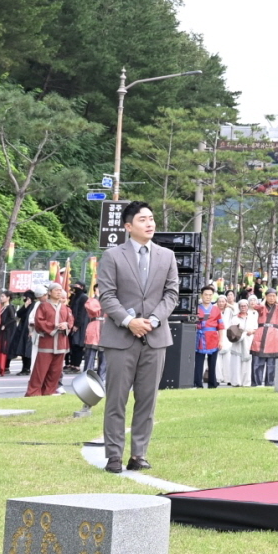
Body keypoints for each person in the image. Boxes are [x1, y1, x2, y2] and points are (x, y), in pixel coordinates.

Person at [97, 200, 180, 473]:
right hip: (120, 338)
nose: (150, 223)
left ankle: (138, 455)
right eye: (143, 219)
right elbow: (107, 295)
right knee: (116, 400)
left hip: (155, 338)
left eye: (151, 218)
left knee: (147, 400)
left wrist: (153, 320)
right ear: (128, 226)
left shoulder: (167, 256)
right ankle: (114, 456)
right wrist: (129, 321)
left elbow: (171, 294)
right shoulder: (112, 256)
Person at [28, 282, 73, 396]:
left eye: (60, 290)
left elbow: (71, 321)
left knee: (56, 371)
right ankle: (33, 393)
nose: (59, 292)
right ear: (49, 292)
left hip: (61, 343)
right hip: (47, 342)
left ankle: (49, 392)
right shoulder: (43, 306)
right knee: (40, 370)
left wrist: (66, 325)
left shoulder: (65, 308)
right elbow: (39, 321)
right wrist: (55, 326)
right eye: (56, 290)